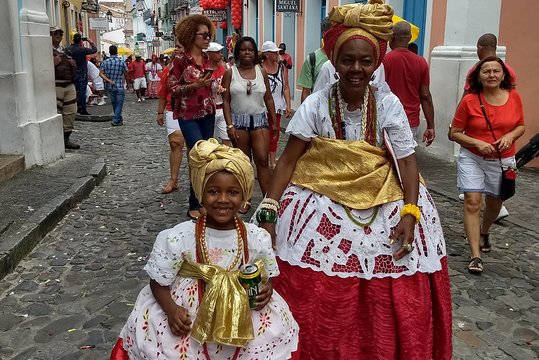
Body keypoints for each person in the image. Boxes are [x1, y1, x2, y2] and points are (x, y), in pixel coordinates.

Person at [259, 2, 452, 358]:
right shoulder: (316, 105)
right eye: (348, 60)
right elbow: (287, 161)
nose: (356, 69)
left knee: (388, 279)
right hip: (321, 200)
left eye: (365, 61)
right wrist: (270, 212)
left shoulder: (389, 105)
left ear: (377, 62)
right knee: (320, 282)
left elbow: (408, 164)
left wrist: (411, 212)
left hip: (386, 199)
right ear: (334, 59)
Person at [110, 138, 299, 359]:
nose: (223, 199)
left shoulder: (257, 238)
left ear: (245, 197)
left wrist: (267, 288)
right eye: (213, 191)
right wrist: (171, 311)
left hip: (242, 316)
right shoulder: (180, 237)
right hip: (190, 317)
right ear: (201, 193)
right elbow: (158, 281)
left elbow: (267, 274)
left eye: (233, 193)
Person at [449, 56, 525, 274]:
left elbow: (521, 125)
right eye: (486, 71)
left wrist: (511, 136)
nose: (492, 75)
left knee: (495, 204)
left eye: (496, 71)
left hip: (502, 161)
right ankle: (475, 255)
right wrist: (476, 143)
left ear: (503, 75)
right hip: (473, 157)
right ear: (478, 77)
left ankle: (484, 231)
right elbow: (454, 133)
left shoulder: (514, 97)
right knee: (472, 202)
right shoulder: (469, 101)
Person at [458, 33, 517, 222]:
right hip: (500, 138)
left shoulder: (476, 70)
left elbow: (467, 96)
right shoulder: (508, 69)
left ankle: (488, 211)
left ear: (480, 47)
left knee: (483, 179)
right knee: (482, 192)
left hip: (480, 136)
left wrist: (458, 120)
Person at [221, 36, 278, 214]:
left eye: (250, 50)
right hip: (239, 123)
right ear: (238, 52)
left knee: (262, 160)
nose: (247, 52)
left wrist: (274, 122)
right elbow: (225, 101)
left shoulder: (261, 72)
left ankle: (268, 199)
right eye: (244, 49)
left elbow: (268, 98)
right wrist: (229, 126)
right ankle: (245, 199)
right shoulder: (230, 73)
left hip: (260, 122)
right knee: (244, 163)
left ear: (255, 53)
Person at [169, 14, 216, 221]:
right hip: (187, 114)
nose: (207, 39)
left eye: (209, 35)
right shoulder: (180, 59)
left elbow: (209, 87)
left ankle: (203, 200)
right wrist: (194, 86)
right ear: (191, 35)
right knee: (197, 153)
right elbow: (173, 88)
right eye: (203, 35)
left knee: (206, 157)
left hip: (207, 112)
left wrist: (215, 86)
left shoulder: (207, 59)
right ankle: (194, 203)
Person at [383, 21, 435, 146]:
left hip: (387, 119)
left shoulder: (385, 61)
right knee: (407, 160)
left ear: (391, 38)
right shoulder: (421, 62)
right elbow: (425, 96)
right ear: (410, 38)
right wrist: (430, 126)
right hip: (410, 121)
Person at [156, 42, 186, 194]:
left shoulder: (198, 66)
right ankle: (173, 180)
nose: (178, 50)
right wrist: (160, 112)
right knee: (175, 143)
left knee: (196, 148)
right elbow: (163, 92)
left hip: (194, 110)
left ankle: (198, 182)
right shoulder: (169, 69)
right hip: (172, 108)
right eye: (177, 47)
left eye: (181, 47)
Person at [261, 41, 292, 170]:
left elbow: (285, 87)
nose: (277, 54)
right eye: (274, 52)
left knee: (275, 134)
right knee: (262, 135)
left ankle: (272, 161)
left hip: (277, 107)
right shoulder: (259, 68)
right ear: (267, 54)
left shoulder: (281, 68)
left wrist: (288, 105)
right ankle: (262, 162)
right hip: (261, 108)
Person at [51, 26, 79, 149]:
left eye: (60, 33)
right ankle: (55, 140)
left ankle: (66, 138)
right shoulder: (44, 50)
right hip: (56, 85)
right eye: (55, 33)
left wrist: (73, 64)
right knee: (57, 112)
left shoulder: (65, 50)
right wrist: (52, 63)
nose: (58, 35)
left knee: (71, 112)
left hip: (69, 84)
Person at [297, 17, 332, 103]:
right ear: (324, 34)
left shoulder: (345, 58)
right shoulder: (312, 59)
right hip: (319, 109)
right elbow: (306, 91)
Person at [206, 42, 231, 146]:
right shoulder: (205, 69)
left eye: (220, 52)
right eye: (217, 52)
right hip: (210, 109)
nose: (221, 55)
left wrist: (224, 89)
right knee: (208, 140)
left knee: (227, 138)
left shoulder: (224, 68)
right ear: (209, 54)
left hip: (222, 107)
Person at [66, 33, 97, 116]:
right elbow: (94, 50)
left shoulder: (68, 49)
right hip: (82, 73)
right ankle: (82, 109)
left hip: (73, 73)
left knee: (74, 91)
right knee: (82, 92)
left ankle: (75, 108)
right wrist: (90, 41)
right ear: (80, 40)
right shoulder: (82, 49)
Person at [99, 45, 128, 126]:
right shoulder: (121, 61)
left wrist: (108, 80)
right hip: (119, 85)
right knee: (119, 104)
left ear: (109, 51)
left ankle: (119, 119)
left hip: (110, 86)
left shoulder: (105, 62)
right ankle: (115, 120)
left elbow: (100, 74)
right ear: (117, 51)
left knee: (114, 103)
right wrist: (128, 83)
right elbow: (126, 73)